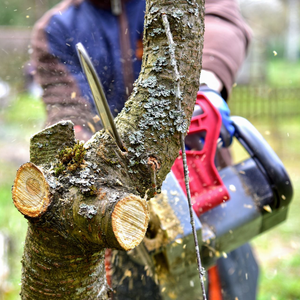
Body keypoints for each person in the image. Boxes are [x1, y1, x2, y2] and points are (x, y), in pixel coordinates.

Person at [31, 0, 258, 299]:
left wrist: (203, 85)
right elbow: (68, 110)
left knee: (225, 284)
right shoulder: (57, 27)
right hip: (122, 213)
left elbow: (219, 19)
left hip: (202, 193)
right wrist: (84, 153)